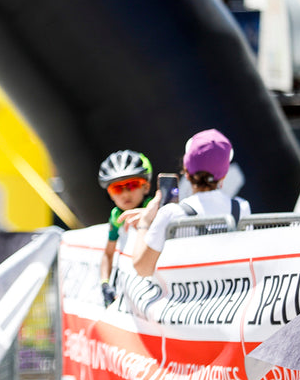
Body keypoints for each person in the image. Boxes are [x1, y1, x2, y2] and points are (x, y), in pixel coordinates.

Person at [128, 129, 251, 278]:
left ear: (186, 172)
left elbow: (143, 268)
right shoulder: (241, 208)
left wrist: (145, 222)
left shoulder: (171, 213)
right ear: (224, 175)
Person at [95, 150, 153, 307]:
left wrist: (150, 216)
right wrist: (105, 284)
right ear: (110, 194)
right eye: (117, 189)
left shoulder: (154, 207)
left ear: (146, 187)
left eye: (132, 185)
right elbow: (108, 254)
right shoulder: (116, 217)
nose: (125, 193)